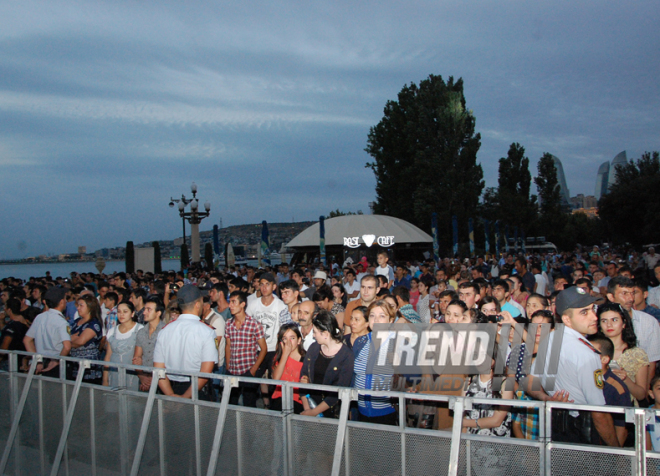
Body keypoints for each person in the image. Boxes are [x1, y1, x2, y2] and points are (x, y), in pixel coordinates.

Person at [538, 287, 619, 446]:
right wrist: (619, 452)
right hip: (583, 431)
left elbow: (530, 381)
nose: (594, 317)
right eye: (584, 312)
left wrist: (546, 398)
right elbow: (599, 413)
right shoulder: (587, 355)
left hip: (557, 428)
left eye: (593, 309)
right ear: (567, 319)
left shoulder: (551, 339)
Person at [153, 285, 218, 400]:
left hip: (169, 387)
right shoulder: (206, 331)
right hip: (196, 390)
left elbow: (158, 369)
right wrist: (184, 397)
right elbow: (205, 372)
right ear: (198, 304)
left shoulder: (164, 331)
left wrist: (171, 396)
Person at [300, 310, 354, 417]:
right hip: (309, 403)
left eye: (315, 332)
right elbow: (303, 376)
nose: (314, 336)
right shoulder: (314, 348)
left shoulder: (346, 355)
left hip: (332, 411)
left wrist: (314, 412)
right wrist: (307, 409)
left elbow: (340, 389)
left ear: (325, 334)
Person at [353, 300, 397, 425]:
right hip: (361, 412)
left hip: (388, 413)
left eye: (382, 316)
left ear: (391, 320)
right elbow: (354, 375)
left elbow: (412, 378)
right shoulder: (360, 342)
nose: (376, 320)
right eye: (372, 315)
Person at [607, 276, 660, 378]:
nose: (631, 299)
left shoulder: (649, 322)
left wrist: (644, 391)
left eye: (632, 293)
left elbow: (652, 363)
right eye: (624, 294)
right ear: (611, 297)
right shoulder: (600, 322)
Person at [597, 302, 649, 403]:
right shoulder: (592, 350)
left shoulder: (637, 354)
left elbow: (641, 395)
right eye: (604, 321)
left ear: (624, 323)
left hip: (625, 409)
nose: (609, 325)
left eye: (614, 320)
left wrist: (625, 379)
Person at [588, 334, 633, 447]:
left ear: (605, 359)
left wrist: (615, 455)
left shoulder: (616, 387)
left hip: (604, 449)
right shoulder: (580, 379)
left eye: (589, 352)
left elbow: (622, 427)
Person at [226, 291, 268, 407]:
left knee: (249, 403)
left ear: (243, 304)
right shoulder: (228, 324)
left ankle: (250, 425)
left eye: (234, 302)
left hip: (248, 369)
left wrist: (253, 369)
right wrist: (228, 366)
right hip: (233, 371)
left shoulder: (254, 324)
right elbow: (228, 346)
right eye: (230, 302)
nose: (230, 305)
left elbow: (264, 349)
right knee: (231, 402)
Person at [23, 287, 72, 377]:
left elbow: (27, 340)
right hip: (57, 365)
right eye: (65, 299)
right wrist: (56, 361)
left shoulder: (39, 317)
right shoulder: (62, 322)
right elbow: (67, 347)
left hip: (42, 362)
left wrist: (38, 360)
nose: (66, 301)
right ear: (61, 302)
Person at [103, 301, 143, 389]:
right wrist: (105, 379)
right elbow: (108, 356)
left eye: (125, 312)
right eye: (119, 311)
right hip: (114, 375)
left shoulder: (140, 330)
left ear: (132, 313)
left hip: (133, 376)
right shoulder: (112, 332)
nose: (121, 314)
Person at [270, 323, 306, 413]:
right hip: (280, 398)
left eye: (292, 338)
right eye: (285, 338)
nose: (288, 342)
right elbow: (275, 379)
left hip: (298, 401)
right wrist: (285, 355)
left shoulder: (306, 359)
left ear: (299, 340)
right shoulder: (279, 357)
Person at [68, 294, 104, 383]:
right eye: (78, 305)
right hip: (74, 365)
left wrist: (68, 341)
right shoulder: (76, 322)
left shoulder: (94, 324)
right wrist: (71, 339)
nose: (78, 308)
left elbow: (80, 341)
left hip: (88, 366)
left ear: (90, 307)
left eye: (81, 305)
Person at [133, 296, 165, 392]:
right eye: (145, 309)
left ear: (158, 313)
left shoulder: (165, 331)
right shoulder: (141, 332)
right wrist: (142, 377)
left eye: (149, 310)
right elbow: (136, 358)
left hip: (162, 379)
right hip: (144, 378)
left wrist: (154, 379)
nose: (144, 312)